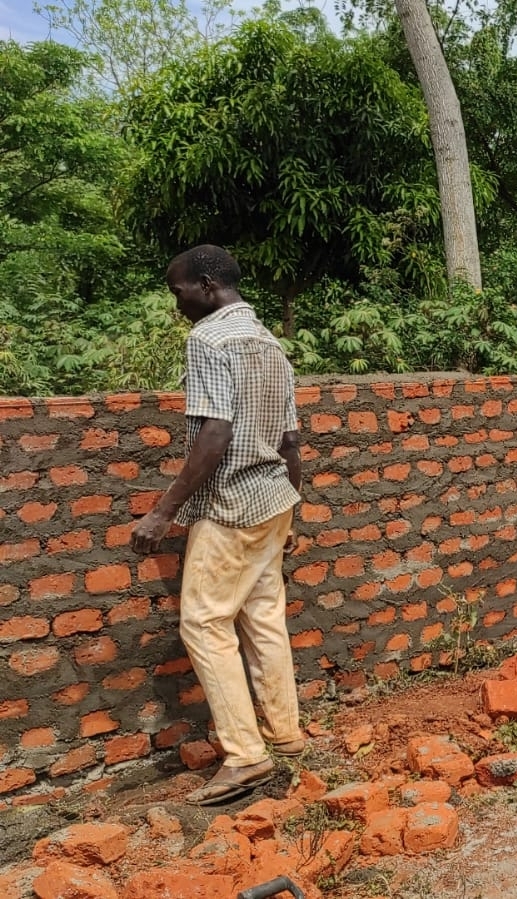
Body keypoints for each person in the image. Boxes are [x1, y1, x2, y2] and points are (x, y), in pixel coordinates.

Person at [130, 245, 306, 806]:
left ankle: (246, 757)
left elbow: (216, 432)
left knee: (204, 624)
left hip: (231, 504)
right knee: (263, 617)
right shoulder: (270, 343)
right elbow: (290, 440)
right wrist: (293, 504)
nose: (177, 302)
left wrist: (162, 511)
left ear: (206, 285)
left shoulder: (208, 339)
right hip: (274, 500)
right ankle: (286, 734)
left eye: (178, 291)